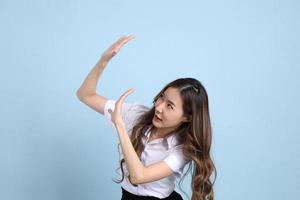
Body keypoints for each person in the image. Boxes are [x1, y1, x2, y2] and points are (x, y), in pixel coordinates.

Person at [76, 35, 217, 200]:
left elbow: (139, 176)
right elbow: (85, 95)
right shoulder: (137, 114)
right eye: (162, 97)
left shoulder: (183, 149)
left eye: (169, 105)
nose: (158, 107)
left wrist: (120, 126)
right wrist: (104, 60)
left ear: (187, 117)